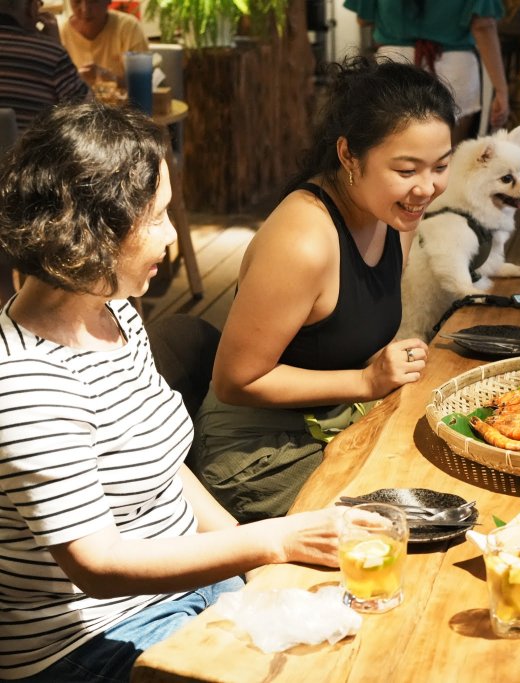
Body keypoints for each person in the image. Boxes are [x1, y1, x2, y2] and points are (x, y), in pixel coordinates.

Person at [0, 102, 347, 682]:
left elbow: (165, 470)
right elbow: (100, 566)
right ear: (91, 230)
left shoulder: (112, 310)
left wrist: (248, 561)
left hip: (185, 589)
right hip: (92, 643)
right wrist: (270, 543)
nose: (170, 237)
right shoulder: (26, 384)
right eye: (156, 217)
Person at [193, 56, 457, 523]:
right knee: (404, 534)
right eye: (406, 169)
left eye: (440, 166)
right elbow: (235, 380)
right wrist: (364, 382)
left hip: (337, 424)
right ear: (348, 155)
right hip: (259, 457)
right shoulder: (304, 241)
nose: (426, 188)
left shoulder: (395, 215)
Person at [344, 0, 509, 144]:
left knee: (397, 153)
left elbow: (363, 19)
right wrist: (501, 90)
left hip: (395, 65)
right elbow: (483, 25)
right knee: (450, 156)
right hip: (454, 66)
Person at [0, 0, 91, 132]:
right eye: (38, 4)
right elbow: (88, 113)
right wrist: (55, 44)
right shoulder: (51, 54)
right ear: (29, 8)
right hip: (29, 151)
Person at [59, 0, 148, 86]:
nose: (85, 9)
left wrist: (110, 77)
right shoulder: (61, 33)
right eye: (77, 1)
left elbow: (142, 82)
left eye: (93, 1)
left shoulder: (128, 28)